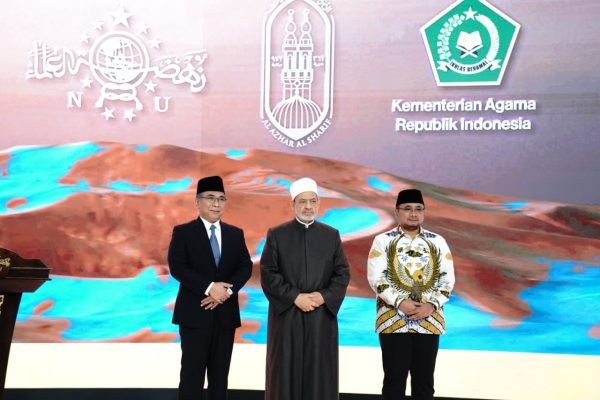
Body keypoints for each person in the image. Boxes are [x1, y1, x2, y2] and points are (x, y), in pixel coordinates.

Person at [260, 177, 350, 400]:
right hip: (287, 317)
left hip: (321, 316)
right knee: (284, 373)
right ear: (293, 204)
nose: (308, 206)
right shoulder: (277, 234)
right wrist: (294, 297)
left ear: (319, 203)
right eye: (302, 201)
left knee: (320, 374)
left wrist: (323, 296)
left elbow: (342, 274)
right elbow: (268, 273)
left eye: (312, 201)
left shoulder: (331, 235)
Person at [168, 176, 252, 400]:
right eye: (211, 198)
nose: (216, 203)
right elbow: (177, 267)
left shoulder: (235, 234)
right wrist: (209, 288)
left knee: (220, 379)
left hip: (225, 316)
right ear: (197, 201)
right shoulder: (183, 232)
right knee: (191, 377)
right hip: (194, 316)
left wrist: (225, 292)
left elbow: (245, 267)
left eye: (221, 199)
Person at [367, 189, 455, 400]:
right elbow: (376, 278)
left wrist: (431, 305)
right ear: (397, 211)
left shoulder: (438, 241)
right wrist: (400, 302)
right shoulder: (383, 241)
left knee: (424, 383)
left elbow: (447, 280)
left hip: (429, 321)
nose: (413, 214)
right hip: (392, 321)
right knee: (393, 382)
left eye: (418, 209)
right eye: (407, 209)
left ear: (424, 212)